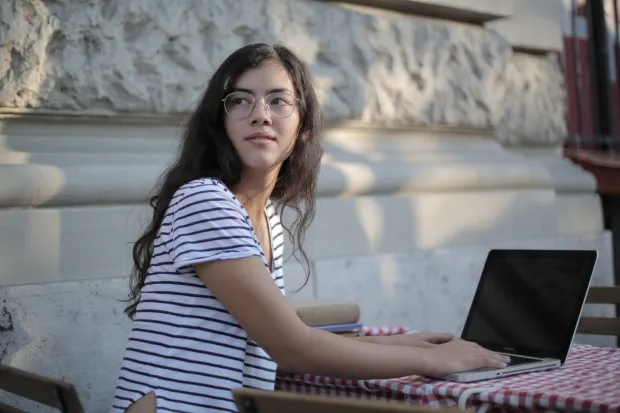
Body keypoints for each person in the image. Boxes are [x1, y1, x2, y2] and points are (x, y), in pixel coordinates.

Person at [111, 43, 509, 413]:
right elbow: (291, 347)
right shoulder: (206, 201)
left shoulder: (266, 219)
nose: (260, 114)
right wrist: (430, 360)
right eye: (240, 100)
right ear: (221, 123)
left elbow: (279, 333)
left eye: (278, 100)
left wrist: (402, 342)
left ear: (302, 130)